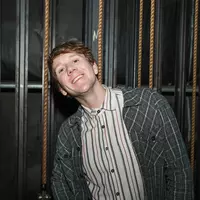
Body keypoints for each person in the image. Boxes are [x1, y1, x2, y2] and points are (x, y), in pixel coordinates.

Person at [48, 39, 193, 200]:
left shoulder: (149, 103)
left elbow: (179, 172)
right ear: (62, 90)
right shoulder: (68, 133)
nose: (70, 69)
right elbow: (60, 184)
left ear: (94, 66)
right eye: (61, 70)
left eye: (75, 60)